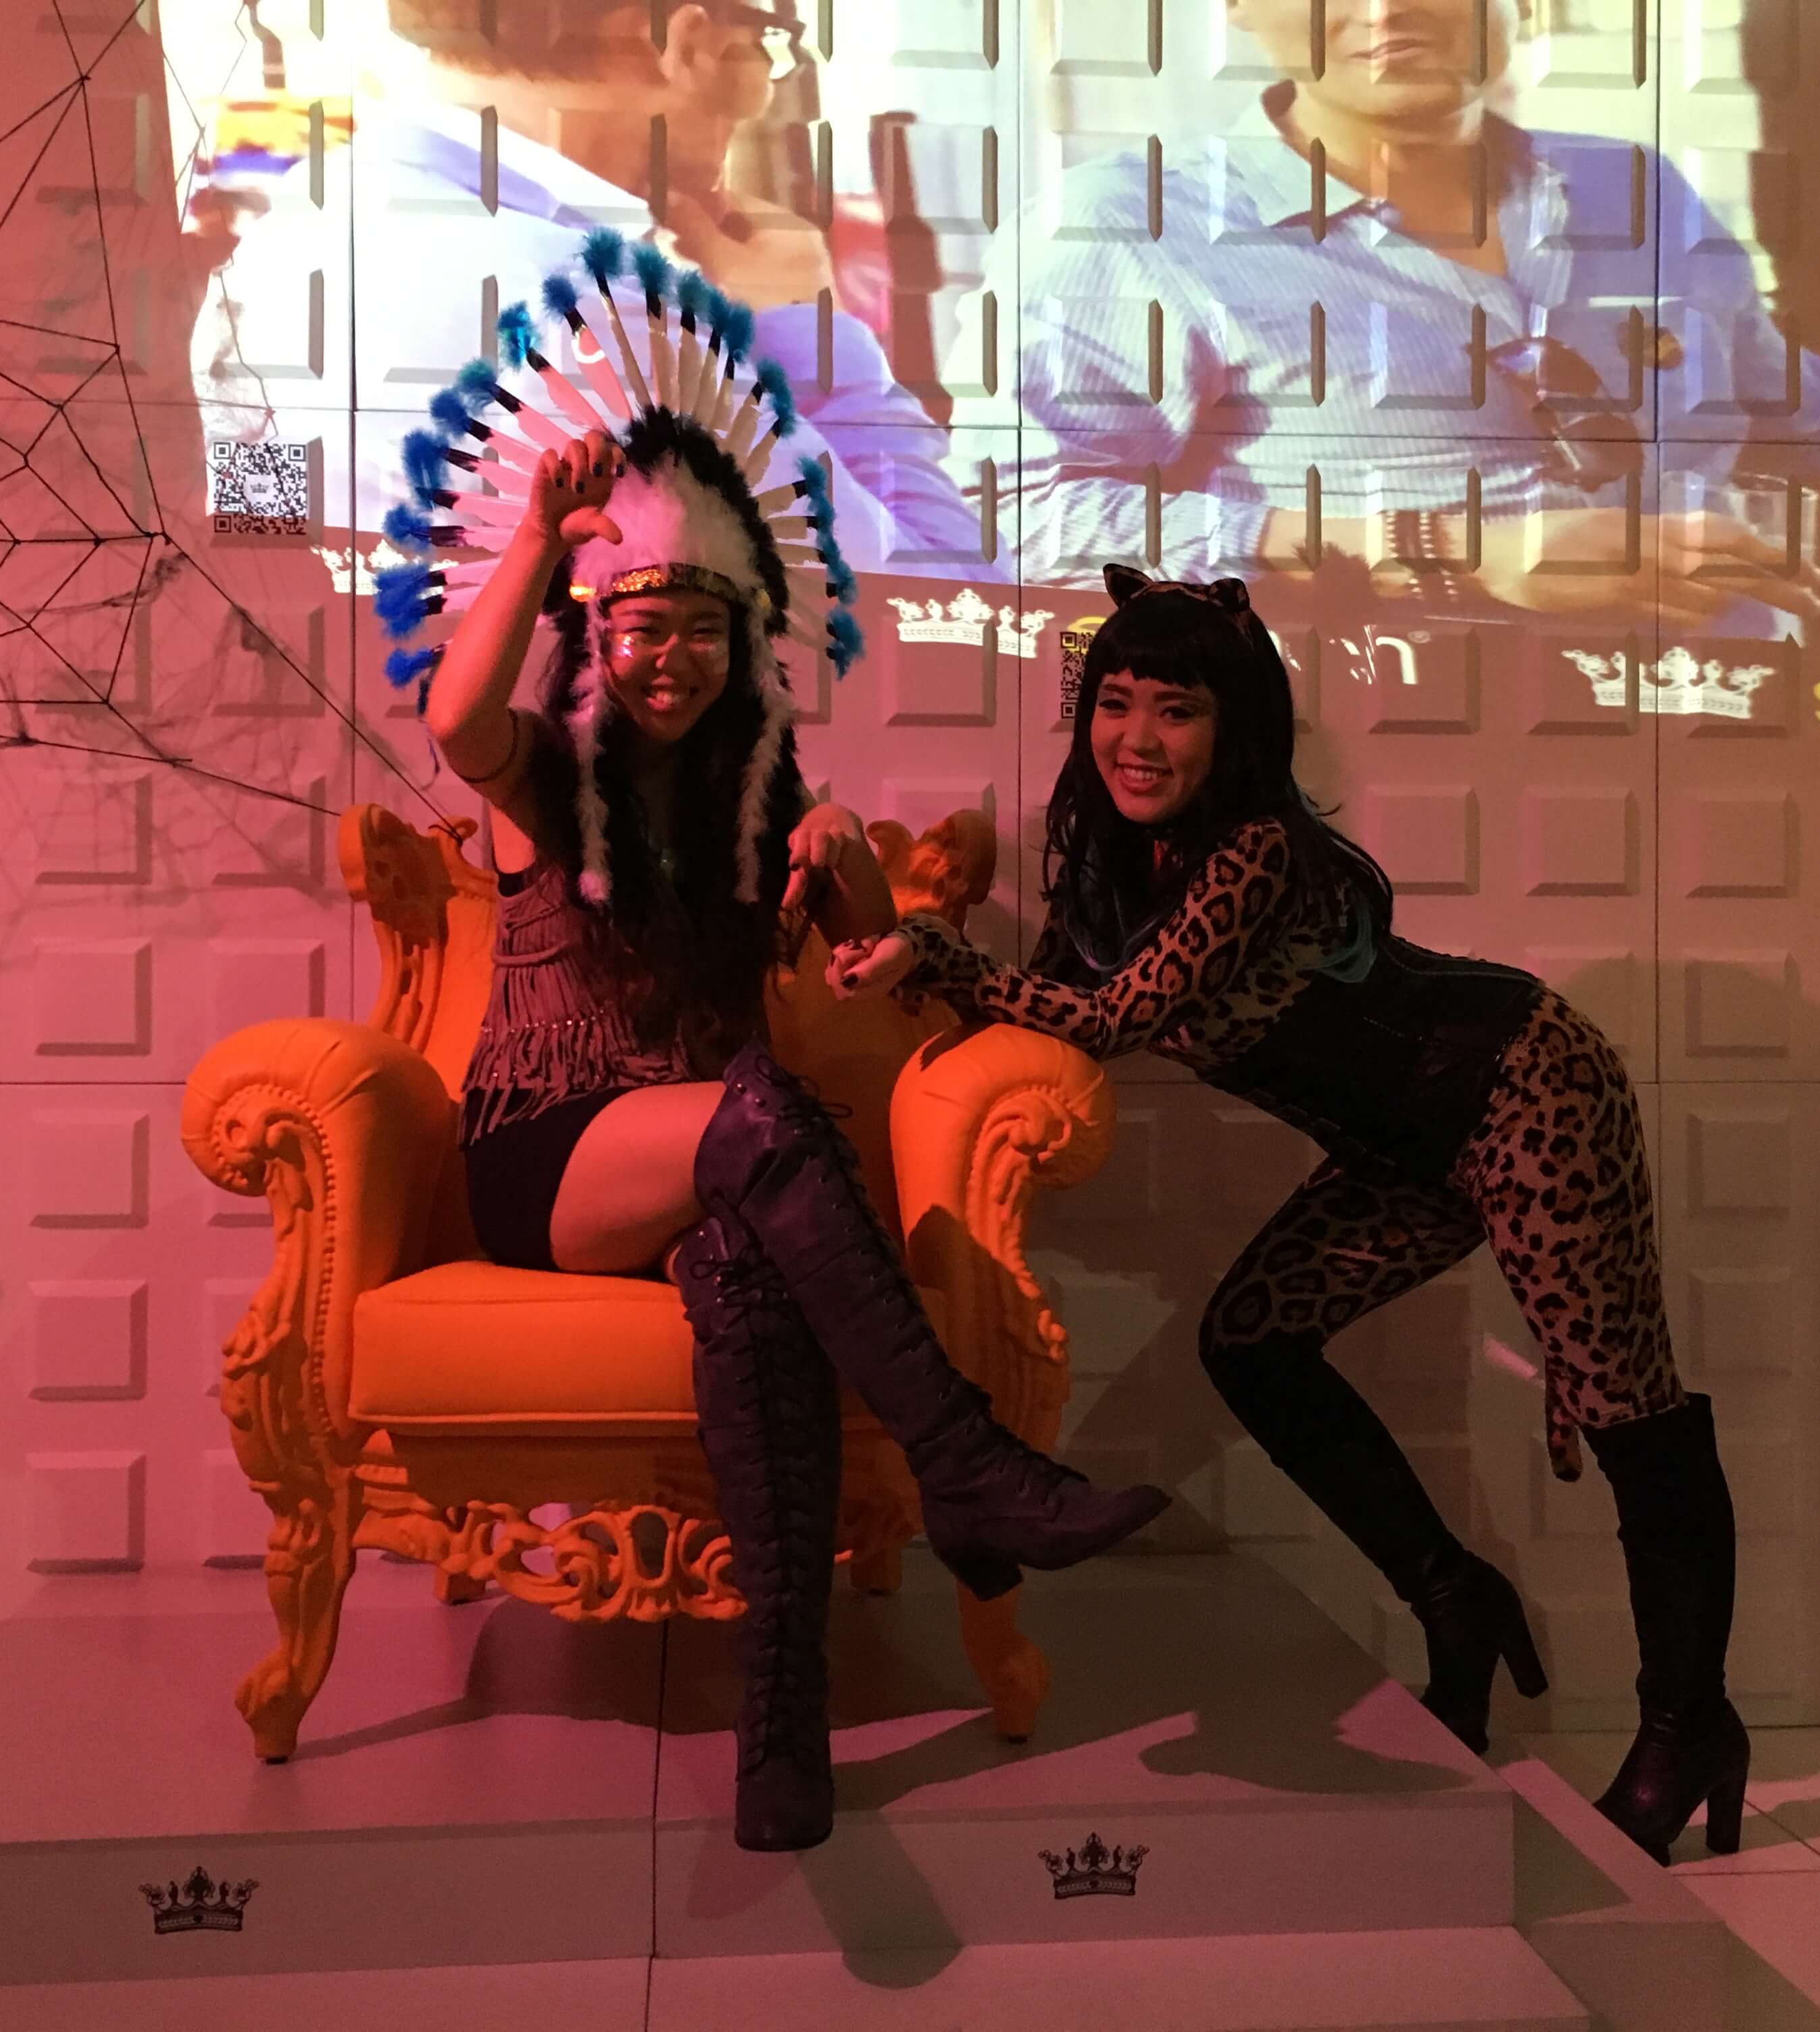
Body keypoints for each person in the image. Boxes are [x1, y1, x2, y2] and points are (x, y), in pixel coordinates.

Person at [403, 256, 1168, 1853]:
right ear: (596, 640)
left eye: (697, 631)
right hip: (549, 1163)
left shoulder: (763, 806)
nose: (666, 657)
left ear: (740, 648)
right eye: (639, 629)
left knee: (754, 1284)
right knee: (761, 1113)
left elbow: (880, 978)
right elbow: (454, 719)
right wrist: (542, 537)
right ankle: (965, 1461)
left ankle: (782, 1723)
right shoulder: (546, 777)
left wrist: (853, 866)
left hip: (713, 1169)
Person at [831, 570, 1745, 1865]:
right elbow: (1035, 1011)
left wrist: (935, 950)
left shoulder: (1253, 851)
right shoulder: (1114, 860)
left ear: (1236, 727)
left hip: (1523, 1086)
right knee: (1252, 1340)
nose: (1137, 738)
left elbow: (1111, 1019)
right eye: (1116, 703)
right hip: (1400, 1146)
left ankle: (1688, 1724)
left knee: (1625, 1410)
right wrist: (875, 920)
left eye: (1177, 711)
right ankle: (1455, 1593)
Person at [989, 0, 1820, 658]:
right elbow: (1025, 519)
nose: (1385, 8)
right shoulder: (1134, 222)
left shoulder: (1639, 190)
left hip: (1730, 762)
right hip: (1377, 791)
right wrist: (1458, 551)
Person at [196, 0, 987, 570]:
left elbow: (261, 534)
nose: (764, 94)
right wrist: (804, 327)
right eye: (767, 44)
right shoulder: (599, 306)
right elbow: (939, 597)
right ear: (686, 43)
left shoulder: (293, 227)